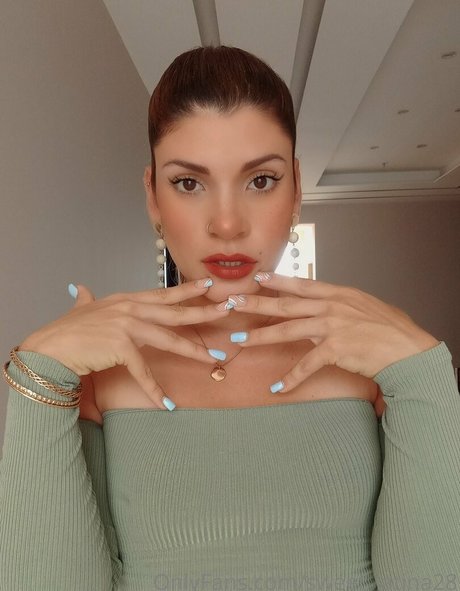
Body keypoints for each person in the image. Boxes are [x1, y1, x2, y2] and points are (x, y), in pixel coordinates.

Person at [1, 45, 459, 591]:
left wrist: (424, 373)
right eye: (188, 183)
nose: (227, 224)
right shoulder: (106, 376)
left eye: (260, 180)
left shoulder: (368, 366)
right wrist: (41, 372)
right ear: (153, 197)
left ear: (296, 188)